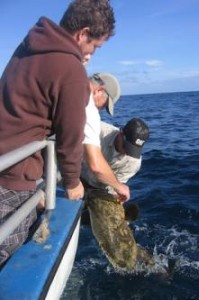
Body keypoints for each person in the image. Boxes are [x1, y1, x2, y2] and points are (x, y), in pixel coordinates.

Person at [0, 0, 115, 266]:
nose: (90, 55)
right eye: (94, 46)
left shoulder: (30, 46)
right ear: (83, 33)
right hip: (14, 176)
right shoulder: (71, 69)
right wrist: (73, 183)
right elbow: (69, 136)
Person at [82, 118, 152, 270]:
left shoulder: (133, 163)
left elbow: (112, 188)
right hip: (70, 176)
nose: (126, 153)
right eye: (126, 146)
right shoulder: (97, 130)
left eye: (133, 150)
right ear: (120, 133)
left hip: (98, 190)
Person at [84, 73, 130, 201]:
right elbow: (96, 165)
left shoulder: (69, 87)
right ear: (99, 90)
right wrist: (119, 187)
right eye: (104, 105)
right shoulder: (89, 109)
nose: (100, 109)